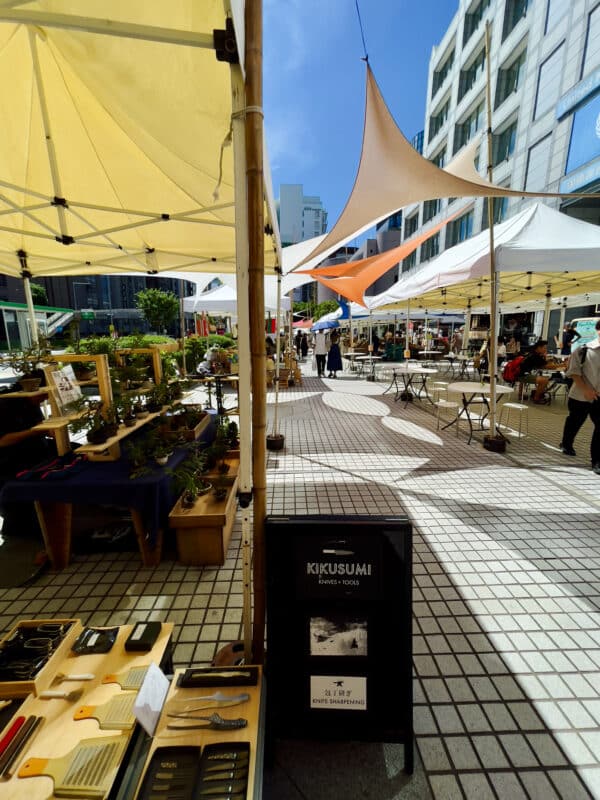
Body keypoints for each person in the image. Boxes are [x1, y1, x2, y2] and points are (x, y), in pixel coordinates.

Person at [559, 319, 600, 473]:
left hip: (599, 398)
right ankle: (566, 443)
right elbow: (573, 372)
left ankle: (597, 460)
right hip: (580, 395)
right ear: (598, 330)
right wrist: (586, 390)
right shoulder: (583, 350)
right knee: (575, 421)